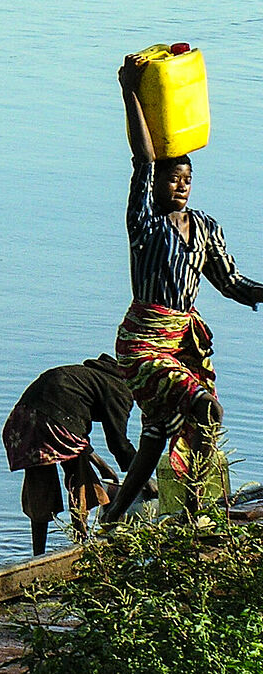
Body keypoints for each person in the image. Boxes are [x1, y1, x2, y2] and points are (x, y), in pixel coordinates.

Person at [102, 54, 263, 523]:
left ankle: (118, 516)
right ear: (156, 186)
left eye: (188, 179)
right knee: (202, 405)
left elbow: (232, 283)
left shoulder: (206, 228)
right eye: (173, 179)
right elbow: (143, 158)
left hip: (180, 342)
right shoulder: (145, 226)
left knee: (157, 432)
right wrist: (130, 90)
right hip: (143, 342)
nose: (181, 186)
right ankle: (193, 511)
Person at [3, 354, 140, 555]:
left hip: (21, 420)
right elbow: (118, 442)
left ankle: (37, 555)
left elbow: (74, 431)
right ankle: (81, 541)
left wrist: (104, 467)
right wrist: (142, 478)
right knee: (81, 478)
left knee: (40, 485)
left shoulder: (88, 376)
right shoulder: (120, 389)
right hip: (55, 422)